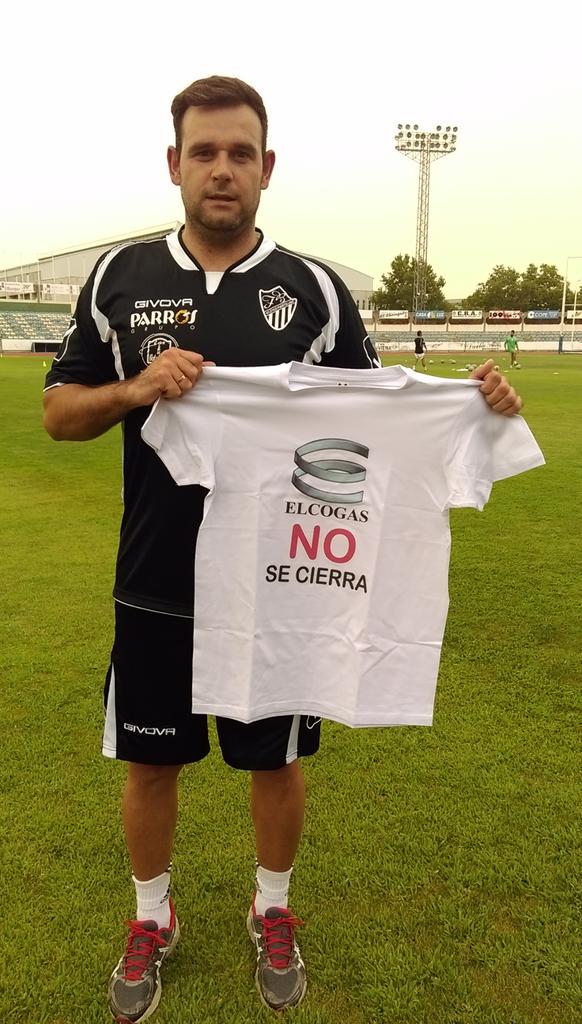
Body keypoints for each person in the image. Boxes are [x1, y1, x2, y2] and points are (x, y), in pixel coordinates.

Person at [43, 75, 523, 1023]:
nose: (222, 170)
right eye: (204, 152)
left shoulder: (312, 290)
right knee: (150, 762)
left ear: (267, 167)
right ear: (174, 164)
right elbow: (61, 412)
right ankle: (153, 918)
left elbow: (377, 415)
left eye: (240, 154)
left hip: (281, 584)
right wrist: (137, 391)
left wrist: (476, 404)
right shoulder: (120, 279)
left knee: (275, 761)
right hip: (156, 581)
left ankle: (274, 909)